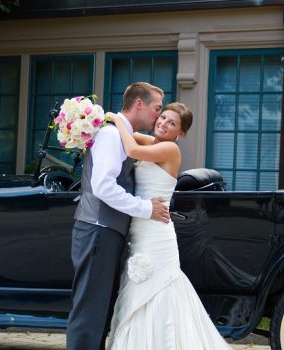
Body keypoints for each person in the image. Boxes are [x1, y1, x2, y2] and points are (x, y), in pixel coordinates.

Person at [106, 102, 233, 349]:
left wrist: (113, 116)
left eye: (172, 123)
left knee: (158, 288)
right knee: (139, 287)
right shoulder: (153, 142)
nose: (163, 123)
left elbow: (130, 147)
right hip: (140, 228)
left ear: (181, 133)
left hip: (155, 232)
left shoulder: (169, 149)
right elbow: (130, 135)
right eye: (162, 117)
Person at [67, 82, 171, 350]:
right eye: (157, 109)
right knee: (90, 311)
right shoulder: (112, 136)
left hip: (104, 231)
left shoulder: (121, 134)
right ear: (139, 104)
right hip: (97, 229)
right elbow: (103, 187)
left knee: (99, 309)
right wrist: (146, 208)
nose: (158, 116)